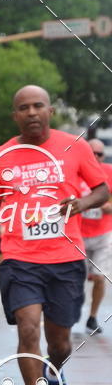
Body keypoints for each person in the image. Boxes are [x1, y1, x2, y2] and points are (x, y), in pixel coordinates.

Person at [0, 85, 109, 385]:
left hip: (66, 258)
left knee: (60, 343)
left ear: (50, 111)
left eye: (38, 106)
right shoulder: (2, 155)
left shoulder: (76, 146)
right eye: (24, 108)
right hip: (19, 257)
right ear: (15, 116)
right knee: (27, 328)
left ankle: (54, 372)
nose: (32, 112)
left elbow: (102, 189)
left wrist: (81, 204)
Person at [80, 138, 112, 334]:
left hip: (103, 234)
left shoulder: (109, 172)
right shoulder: (76, 172)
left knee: (100, 277)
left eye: (99, 154)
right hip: (78, 234)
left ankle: (92, 317)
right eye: (91, 153)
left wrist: (107, 207)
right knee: (76, 278)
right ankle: (73, 311)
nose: (95, 157)